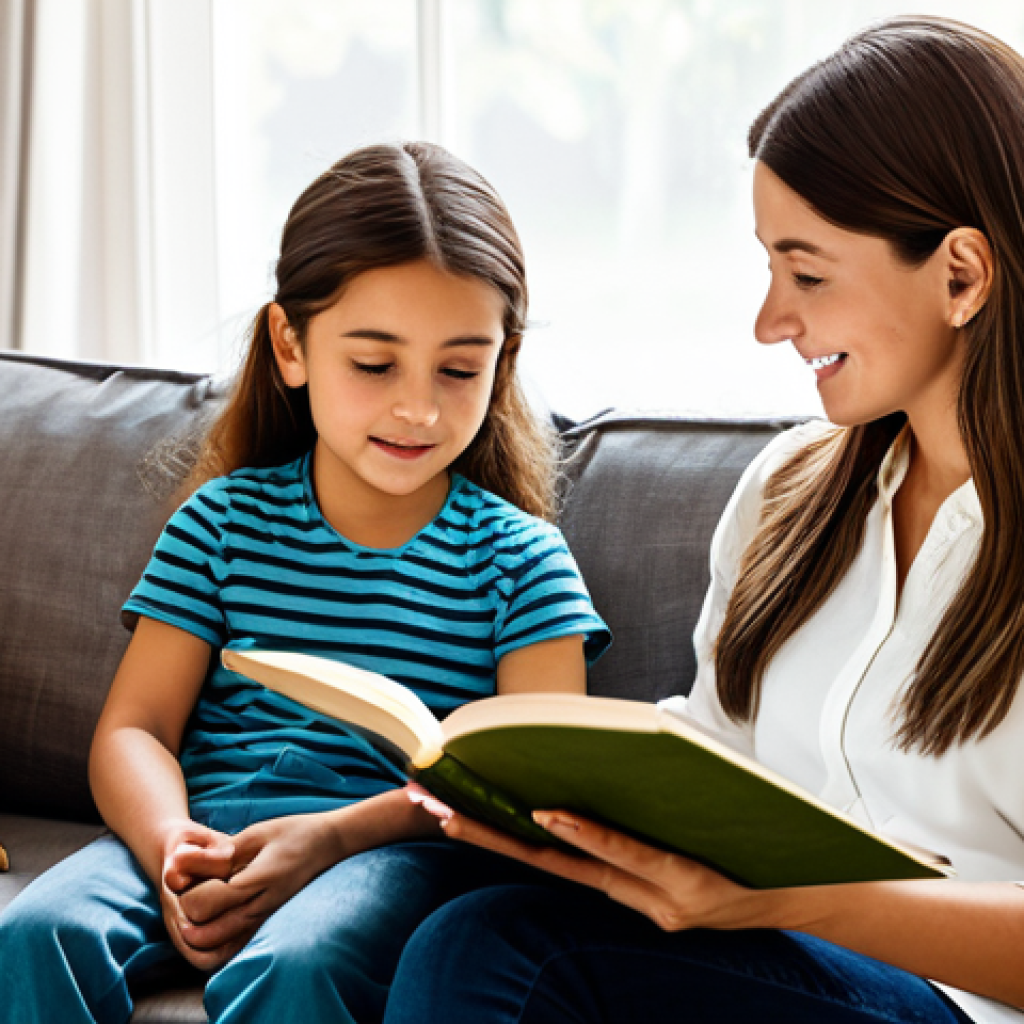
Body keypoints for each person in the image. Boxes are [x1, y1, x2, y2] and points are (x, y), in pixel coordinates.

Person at [381, 17, 1024, 1024]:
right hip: (764, 958)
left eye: (806, 272)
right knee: (456, 911)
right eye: (768, 265)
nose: (770, 319)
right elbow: (718, 758)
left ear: (960, 275)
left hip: (958, 1004)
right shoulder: (791, 493)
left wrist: (800, 900)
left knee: (508, 957)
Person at [0, 141, 610, 1024]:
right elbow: (134, 729)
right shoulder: (222, 522)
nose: (419, 408)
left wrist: (331, 835)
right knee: (36, 933)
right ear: (291, 343)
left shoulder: (523, 561)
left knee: (303, 962)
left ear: (502, 363)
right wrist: (171, 840)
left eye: (459, 368)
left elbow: (534, 792)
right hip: (202, 826)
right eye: (374, 364)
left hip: (387, 852)